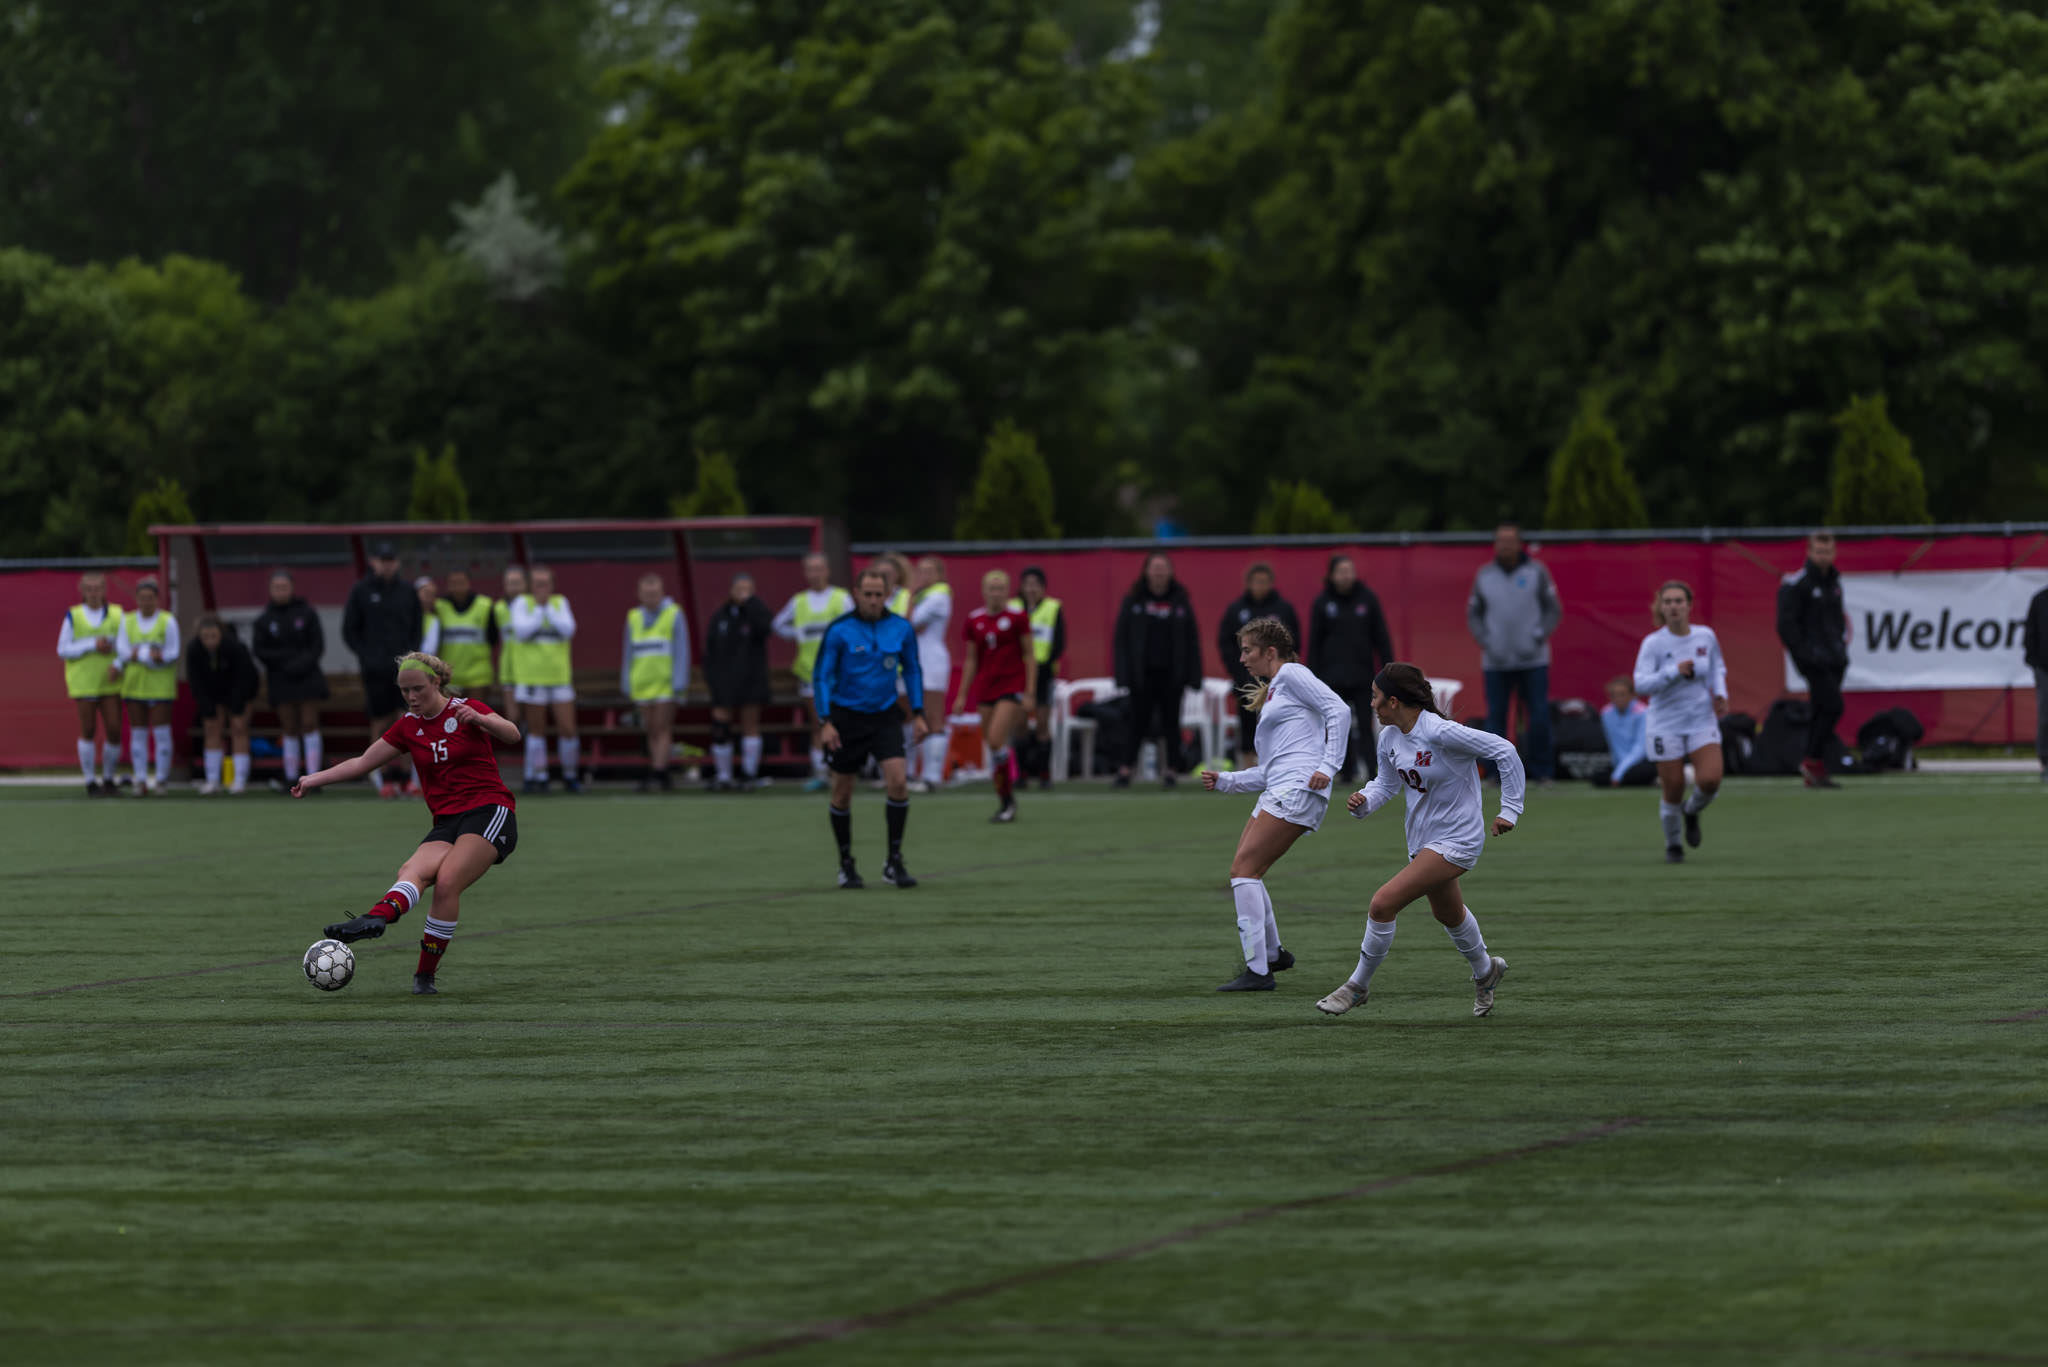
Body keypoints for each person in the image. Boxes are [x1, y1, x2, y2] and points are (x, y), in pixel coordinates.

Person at [300, 652, 521, 996]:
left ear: (436, 682)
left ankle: (423, 977)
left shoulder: (466, 708)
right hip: (447, 821)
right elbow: (362, 763)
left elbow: (512, 734)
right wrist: (313, 779)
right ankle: (375, 917)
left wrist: (480, 718)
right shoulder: (408, 726)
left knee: (447, 881)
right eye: (405, 692)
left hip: (490, 812)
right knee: (412, 871)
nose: (412, 698)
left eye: (418, 689)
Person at [1315, 663, 1521, 1020]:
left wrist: (1510, 809)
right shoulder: (1391, 738)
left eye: (1376, 698)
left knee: (1382, 903)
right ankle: (1486, 971)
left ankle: (1357, 987)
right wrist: (1365, 801)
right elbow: (1386, 784)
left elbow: (1505, 750)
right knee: (1448, 913)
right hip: (1423, 840)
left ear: (1394, 701)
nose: (1372, 705)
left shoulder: (1441, 732)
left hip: (1459, 839)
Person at [1200, 618, 1349, 992]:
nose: (1242, 658)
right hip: (1282, 787)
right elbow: (1271, 769)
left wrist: (1328, 766)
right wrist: (1228, 781)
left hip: (1297, 790)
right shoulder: (1278, 689)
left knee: (1243, 871)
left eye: (1248, 650)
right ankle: (1272, 955)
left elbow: (1340, 710)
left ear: (1270, 651)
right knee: (1247, 871)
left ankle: (1260, 971)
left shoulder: (1293, 673)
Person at [814, 569, 926, 889]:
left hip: (884, 715)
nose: (874, 600)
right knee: (842, 792)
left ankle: (894, 861)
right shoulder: (839, 630)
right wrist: (825, 721)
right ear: (856, 593)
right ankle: (846, 864)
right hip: (846, 718)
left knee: (899, 782)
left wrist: (918, 713)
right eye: (868, 594)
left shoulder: (901, 629)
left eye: (880, 594)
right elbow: (822, 676)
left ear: (888, 594)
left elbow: (913, 670)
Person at [1635, 580, 1728, 864]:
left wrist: (1721, 693)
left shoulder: (1705, 636)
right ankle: (1673, 845)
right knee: (1673, 787)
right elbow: (1641, 684)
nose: (1674, 606)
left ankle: (1692, 810)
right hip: (1665, 723)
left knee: (1710, 780)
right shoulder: (1654, 643)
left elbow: (1717, 668)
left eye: (1679, 601)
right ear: (1661, 607)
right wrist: (1672, 672)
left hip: (1700, 718)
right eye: (1668, 602)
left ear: (1689, 605)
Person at [1467, 522, 1563, 786]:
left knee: (1539, 715)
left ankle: (1542, 771)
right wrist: (1486, 640)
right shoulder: (1484, 575)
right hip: (1496, 662)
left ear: (1520, 543)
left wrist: (1538, 635)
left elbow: (1553, 609)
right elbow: (1473, 614)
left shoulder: (1537, 572)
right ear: (1495, 544)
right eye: (1501, 541)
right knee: (1496, 717)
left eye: (1510, 541)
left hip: (1533, 660)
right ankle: (1496, 774)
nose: (1505, 545)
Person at [952, 570, 1037, 823]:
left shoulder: (1017, 617)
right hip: (986, 689)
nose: (996, 593)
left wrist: (1030, 691)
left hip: (1010, 686)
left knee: (998, 738)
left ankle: (1008, 798)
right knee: (993, 745)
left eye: (1001, 588)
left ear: (1008, 591)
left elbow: (1029, 655)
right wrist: (961, 695)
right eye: (992, 588)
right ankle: (1006, 799)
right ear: (984, 590)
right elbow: (971, 659)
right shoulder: (974, 620)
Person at [1112, 552, 1201, 788]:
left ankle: (1171, 771)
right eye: (1155, 568)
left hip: (1173, 674)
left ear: (1170, 572)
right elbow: (1121, 639)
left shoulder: (1180, 600)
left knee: (1172, 723)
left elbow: (1192, 640)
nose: (1159, 573)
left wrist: (1194, 676)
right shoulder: (1134, 600)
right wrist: (1122, 675)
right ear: (1146, 571)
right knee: (1136, 723)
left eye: (1163, 568)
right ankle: (1125, 770)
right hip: (1141, 675)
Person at [343, 540, 423, 798]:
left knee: (408, 718)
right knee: (380, 721)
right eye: (382, 560)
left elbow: (416, 627)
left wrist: (410, 657)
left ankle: (410, 777)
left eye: (391, 561)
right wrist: (368, 657)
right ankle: (381, 776)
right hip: (375, 670)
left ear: (397, 563)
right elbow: (350, 630)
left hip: (404, 669)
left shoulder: (407, 591)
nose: (387, 565)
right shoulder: (361, 591)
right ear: (373, 562)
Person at [1305, 555, 1394, 779]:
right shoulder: (1322, 602)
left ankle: (1374, 771)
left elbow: (1381, 637)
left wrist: (1388, 672)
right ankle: (1345, 772)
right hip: (1331, 677)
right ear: (1332, 575)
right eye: (1341, 571)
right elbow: (1314, 642)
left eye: (1349, 570)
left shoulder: (1367, 599)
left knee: (1366, 724)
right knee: (1337, 727)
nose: (1346, 575)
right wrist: (1312, 676)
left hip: (1363, 676)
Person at [773, 554, 854, 792]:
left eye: (819, 569)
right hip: (811, 672)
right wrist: (796, 634)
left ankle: (842, 770)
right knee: (819, 723)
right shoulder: (798, 601)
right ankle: (820, 773)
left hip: (838, 673)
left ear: (827, 570)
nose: (815, 574)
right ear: (805, 573)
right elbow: (778, 625)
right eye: (810, 569)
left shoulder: (841, 598)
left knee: (842, 722)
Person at [1776, 530, 1848, 789]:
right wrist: (1805, 656)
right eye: (1819, 551)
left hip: (1834, 658)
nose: (1823, 557)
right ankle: (1812, 760)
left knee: (1822, 709)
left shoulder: (1834, 582)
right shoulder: (1798, 584)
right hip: (1813, 660)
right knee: (1833, 706)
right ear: (1808, 552)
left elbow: (1838, 620)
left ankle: (1815, 767)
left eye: (1828, 551)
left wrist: (1840, 649)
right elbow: (1786, 625)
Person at [1219, 563, 1303, 769]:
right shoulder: (1237, 610)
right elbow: (1225, 643)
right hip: (1246, 679)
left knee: (1280, 719)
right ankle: (1249, 766)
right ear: (1248, 584)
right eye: (1257, 582)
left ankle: (1280, 765)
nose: (1260, 586)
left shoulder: (1283, 609)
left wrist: (1281, 669)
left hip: (1277, 678)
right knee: (1248, 722)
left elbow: (1293, 641)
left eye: (1264, 582)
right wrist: (1239, 671)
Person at [251, 571, 329, 790]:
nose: (280, 591)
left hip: (307, 676)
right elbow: (260, 650)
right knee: (289, 726)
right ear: (270, 589)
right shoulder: (264, 619)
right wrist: (284, 663)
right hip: (280, 678)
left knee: (309, 723)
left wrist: (300, 664)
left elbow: (317, 646)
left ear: (292, 587)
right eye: (276, 587)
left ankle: (315, 778)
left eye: (284, 586)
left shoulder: (307, 613)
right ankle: (291, 776)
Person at [55, 570, 126, 795]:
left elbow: (124, 645)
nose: (94, 593)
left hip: (109, 680)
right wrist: (92, 645)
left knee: (114, 729)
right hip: (84, 681)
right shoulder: (73, 615)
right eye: (90, 589)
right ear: (82, 592)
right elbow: (63, 649)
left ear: (105, 590)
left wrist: (117, 662)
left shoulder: (117, 614)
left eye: (98, 588)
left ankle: (108, 778)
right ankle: (90, 781)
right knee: (88, 729)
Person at [512, 565, 580, 793]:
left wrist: (547, 609)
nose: (542, 588)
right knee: (536, 729)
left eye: (545, 583)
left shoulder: (560, 603)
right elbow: (522, 631)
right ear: (531, 585)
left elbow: (568, 629)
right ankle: (539, 776)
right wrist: (541, 611)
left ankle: (570, 775)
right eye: (537, 583)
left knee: (568, 728)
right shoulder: (522, 604)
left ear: (552, 585)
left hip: (559, 677)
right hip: (533, 677)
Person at [704, 572, 775, 790]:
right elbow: (710, 649)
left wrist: (751, 604)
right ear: (731, 590)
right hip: (724, 681)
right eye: (739, 588)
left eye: (747, 589)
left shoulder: (757, 612)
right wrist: (712, 678)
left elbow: (766, 628)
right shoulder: (721, 616)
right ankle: (724, 776)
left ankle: (748, 774)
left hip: (751, 679)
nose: (742, 593)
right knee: (721, 726)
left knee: (750, 724)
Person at [620, 572, 691, 792]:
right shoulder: (633, 617)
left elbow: (682, 650)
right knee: (650, 729)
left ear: (662, 592)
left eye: (655, 592)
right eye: (647, 592)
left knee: (662, 727)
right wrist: (626, 681)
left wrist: (680, 681)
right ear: (639, 594)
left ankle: (659, 771)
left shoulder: (674, 614)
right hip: (642, 684)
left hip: (666, 684)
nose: (651, 596)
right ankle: (658, 768)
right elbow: (628, 652)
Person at [116, 575, 181, 795]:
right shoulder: (127, 621)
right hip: (135, 685)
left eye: (150, 598)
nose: (146, 602)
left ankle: (161, 779)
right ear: (136, 598)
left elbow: (173, 652)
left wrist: (154, 656)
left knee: (162, 733)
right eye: (142, 598)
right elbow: (123, 651)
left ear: (157, 599)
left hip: (160, 685)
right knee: (139, 733)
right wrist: (145, 655)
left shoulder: (167, 620)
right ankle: (140, 779)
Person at [186, 614, 260, 794]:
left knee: (238, 727)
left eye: (213, 636)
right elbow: (195, 681)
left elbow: (244, 679)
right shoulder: (194, 650)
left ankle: (240, 780)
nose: (210, 641)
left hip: (240, 691)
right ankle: (212, 780)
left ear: (221, 634)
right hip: (213, 692)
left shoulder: (235, 648)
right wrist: (206, 705)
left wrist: (237, 705)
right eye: (205, 637)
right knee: (211, 729)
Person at [1012, 566, 1065, 788]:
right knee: (1021, 723)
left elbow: (1060, 642)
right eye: (1027, 584)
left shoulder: (1053, 608)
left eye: (1036, 585)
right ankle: (1022, 774)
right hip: (1018, 673)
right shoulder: (1013, 608)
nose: (1031, 589)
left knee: (1043, 723)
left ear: (1043, 588)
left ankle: (1044, 774)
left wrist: (1042, 662)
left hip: (1043, 674)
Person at [907, 556, 954, 791]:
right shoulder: (923, 597)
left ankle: (932, 777)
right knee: (918, 716)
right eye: (920, 571)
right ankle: (918, 773)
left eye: (929, 571)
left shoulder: (938, 596)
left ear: (940, 575)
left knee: (933, 717)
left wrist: (910, 597)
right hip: (916, 661)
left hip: (932, 661)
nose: (923, 576)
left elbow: (909, 622)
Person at [420, 568, 497, 697]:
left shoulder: (485, 605)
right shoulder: (439, 606)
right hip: (449, 676)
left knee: (476, 716)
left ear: (469, 583)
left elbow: (493, 639)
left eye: (461, 582)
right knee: (451, 717)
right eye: (453, 583)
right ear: (448, 585)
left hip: (478, 676)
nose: (458, 586)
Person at [1597, 677, 1654, 789]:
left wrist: (1619, 773)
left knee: (1641, 772)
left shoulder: (1643, 713)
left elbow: (1640, 749)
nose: (1618, 699)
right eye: (1614, 695)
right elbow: (1615, 746)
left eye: (1622, 694)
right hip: (1622, 763)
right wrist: (1620, 769)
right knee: (1598, 778)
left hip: (1643, 761)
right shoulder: (1606, 714)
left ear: (1632, 695)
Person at [494, 565, 527, 737]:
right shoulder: (498, 608)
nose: (513, 587)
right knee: (513, 717)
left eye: (517, 583)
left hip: (530, 669)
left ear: (525, 585)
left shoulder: (532, 605)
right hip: (508, 668)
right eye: (509, 583)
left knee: (531, 718)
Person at [2026, 579, 2048, 784]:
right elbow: (2030, 633)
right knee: (2045, 715)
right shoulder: (2040, 600)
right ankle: (2045, 761)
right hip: (2044, 668)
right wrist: (2034, 662)